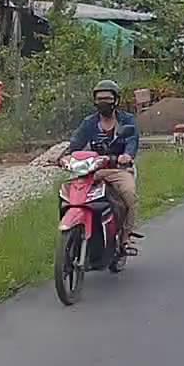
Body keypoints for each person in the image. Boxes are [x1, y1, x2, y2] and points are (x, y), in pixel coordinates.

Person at [61, 79, 141, 250]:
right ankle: (74, 230)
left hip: (119, 169)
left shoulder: (127, 120)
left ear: (116, 100)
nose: (103, 102)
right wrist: (64, 157)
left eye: (108, 99)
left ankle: (126, 236)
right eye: (100, 99)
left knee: (129, 195)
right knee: (67, 194)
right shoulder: (89, 122)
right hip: (93, 170)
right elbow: (76, 142)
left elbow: (132, 140)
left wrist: (127, 155)